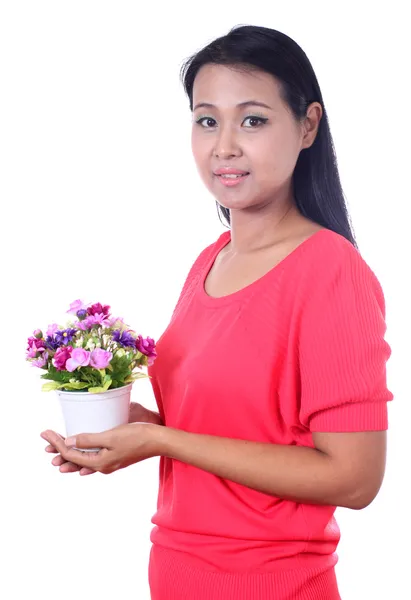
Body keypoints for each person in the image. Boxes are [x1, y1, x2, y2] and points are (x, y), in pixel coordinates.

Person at [41, 25, 394, 600]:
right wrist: (131, 427)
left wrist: (164, 443)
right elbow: (231, 431)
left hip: (271, 585)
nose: (223, 145)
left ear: (307, 125)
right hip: (178, 573)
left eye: (252, 120)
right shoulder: (211, 260)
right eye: (207, 120)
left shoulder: (331, 270)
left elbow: (354, 479)